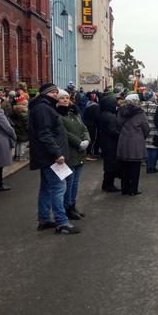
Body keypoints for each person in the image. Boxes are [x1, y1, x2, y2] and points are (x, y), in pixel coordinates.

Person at [28, 83, 79, 234]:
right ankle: (62, 223)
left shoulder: (44, 107)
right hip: (51, 157)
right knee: (59, 187)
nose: (57, 95)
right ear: (48, 93)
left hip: (47, 156)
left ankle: (43, 219)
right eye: (55, 92)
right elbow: (45, 134)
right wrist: (57, 154)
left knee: (46, 188)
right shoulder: (44, 108)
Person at [56, 90, 89, 220]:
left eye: (67, 98)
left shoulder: (74, 112)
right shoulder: (58, 115)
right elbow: (64, 133)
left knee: (75, 182)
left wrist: (86, 139)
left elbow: (84, 128)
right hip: (68, 152)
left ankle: (73, 205)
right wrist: (79, 142)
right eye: (62, 98)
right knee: (68, 183)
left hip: (79, 153)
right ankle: (67, 208)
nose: (65, 100)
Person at [116, 93, 150, 196]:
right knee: (135, 168)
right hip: (136, 142)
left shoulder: (121, 111)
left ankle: (124, 189)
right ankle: (133, 190)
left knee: (124, 167)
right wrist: (141, 137)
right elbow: (146, 128)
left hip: (123, 142)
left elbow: (118, 124)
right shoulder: (140, 113)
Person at [98, 95, 121, 192]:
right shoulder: (110, 116)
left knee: (108, 163)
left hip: (105, 141)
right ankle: (108, 185)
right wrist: (121, 134)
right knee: (111, 164)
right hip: (111, 143)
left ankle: (106, 184)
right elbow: (113, 131)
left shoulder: (103, 114)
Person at [141, 89, 158, 173]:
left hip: (143, 130)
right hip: (154, 130)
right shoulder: (156, 107)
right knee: (154, 148)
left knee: (146, 148)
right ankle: (152, 167)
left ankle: (148, 166)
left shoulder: (141, 106)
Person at [10, 95, 29, 160]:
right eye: (26, 103)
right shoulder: (24, 113)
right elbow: (26, 124)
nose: (27, 104)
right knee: (22, 144)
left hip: (17, 130)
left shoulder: (14, 110)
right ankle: (21, 156)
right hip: (22, 131)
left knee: (18, 143)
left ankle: (17, 155)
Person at [83, 92, 101, 159]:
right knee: (93, 139)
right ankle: (91, 154)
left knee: (89, 138)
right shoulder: (96, 106)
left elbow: (84, 115)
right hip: (93, 125)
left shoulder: (87, 105)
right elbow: (97, 117)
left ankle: (87, 153)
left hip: (87, 123)